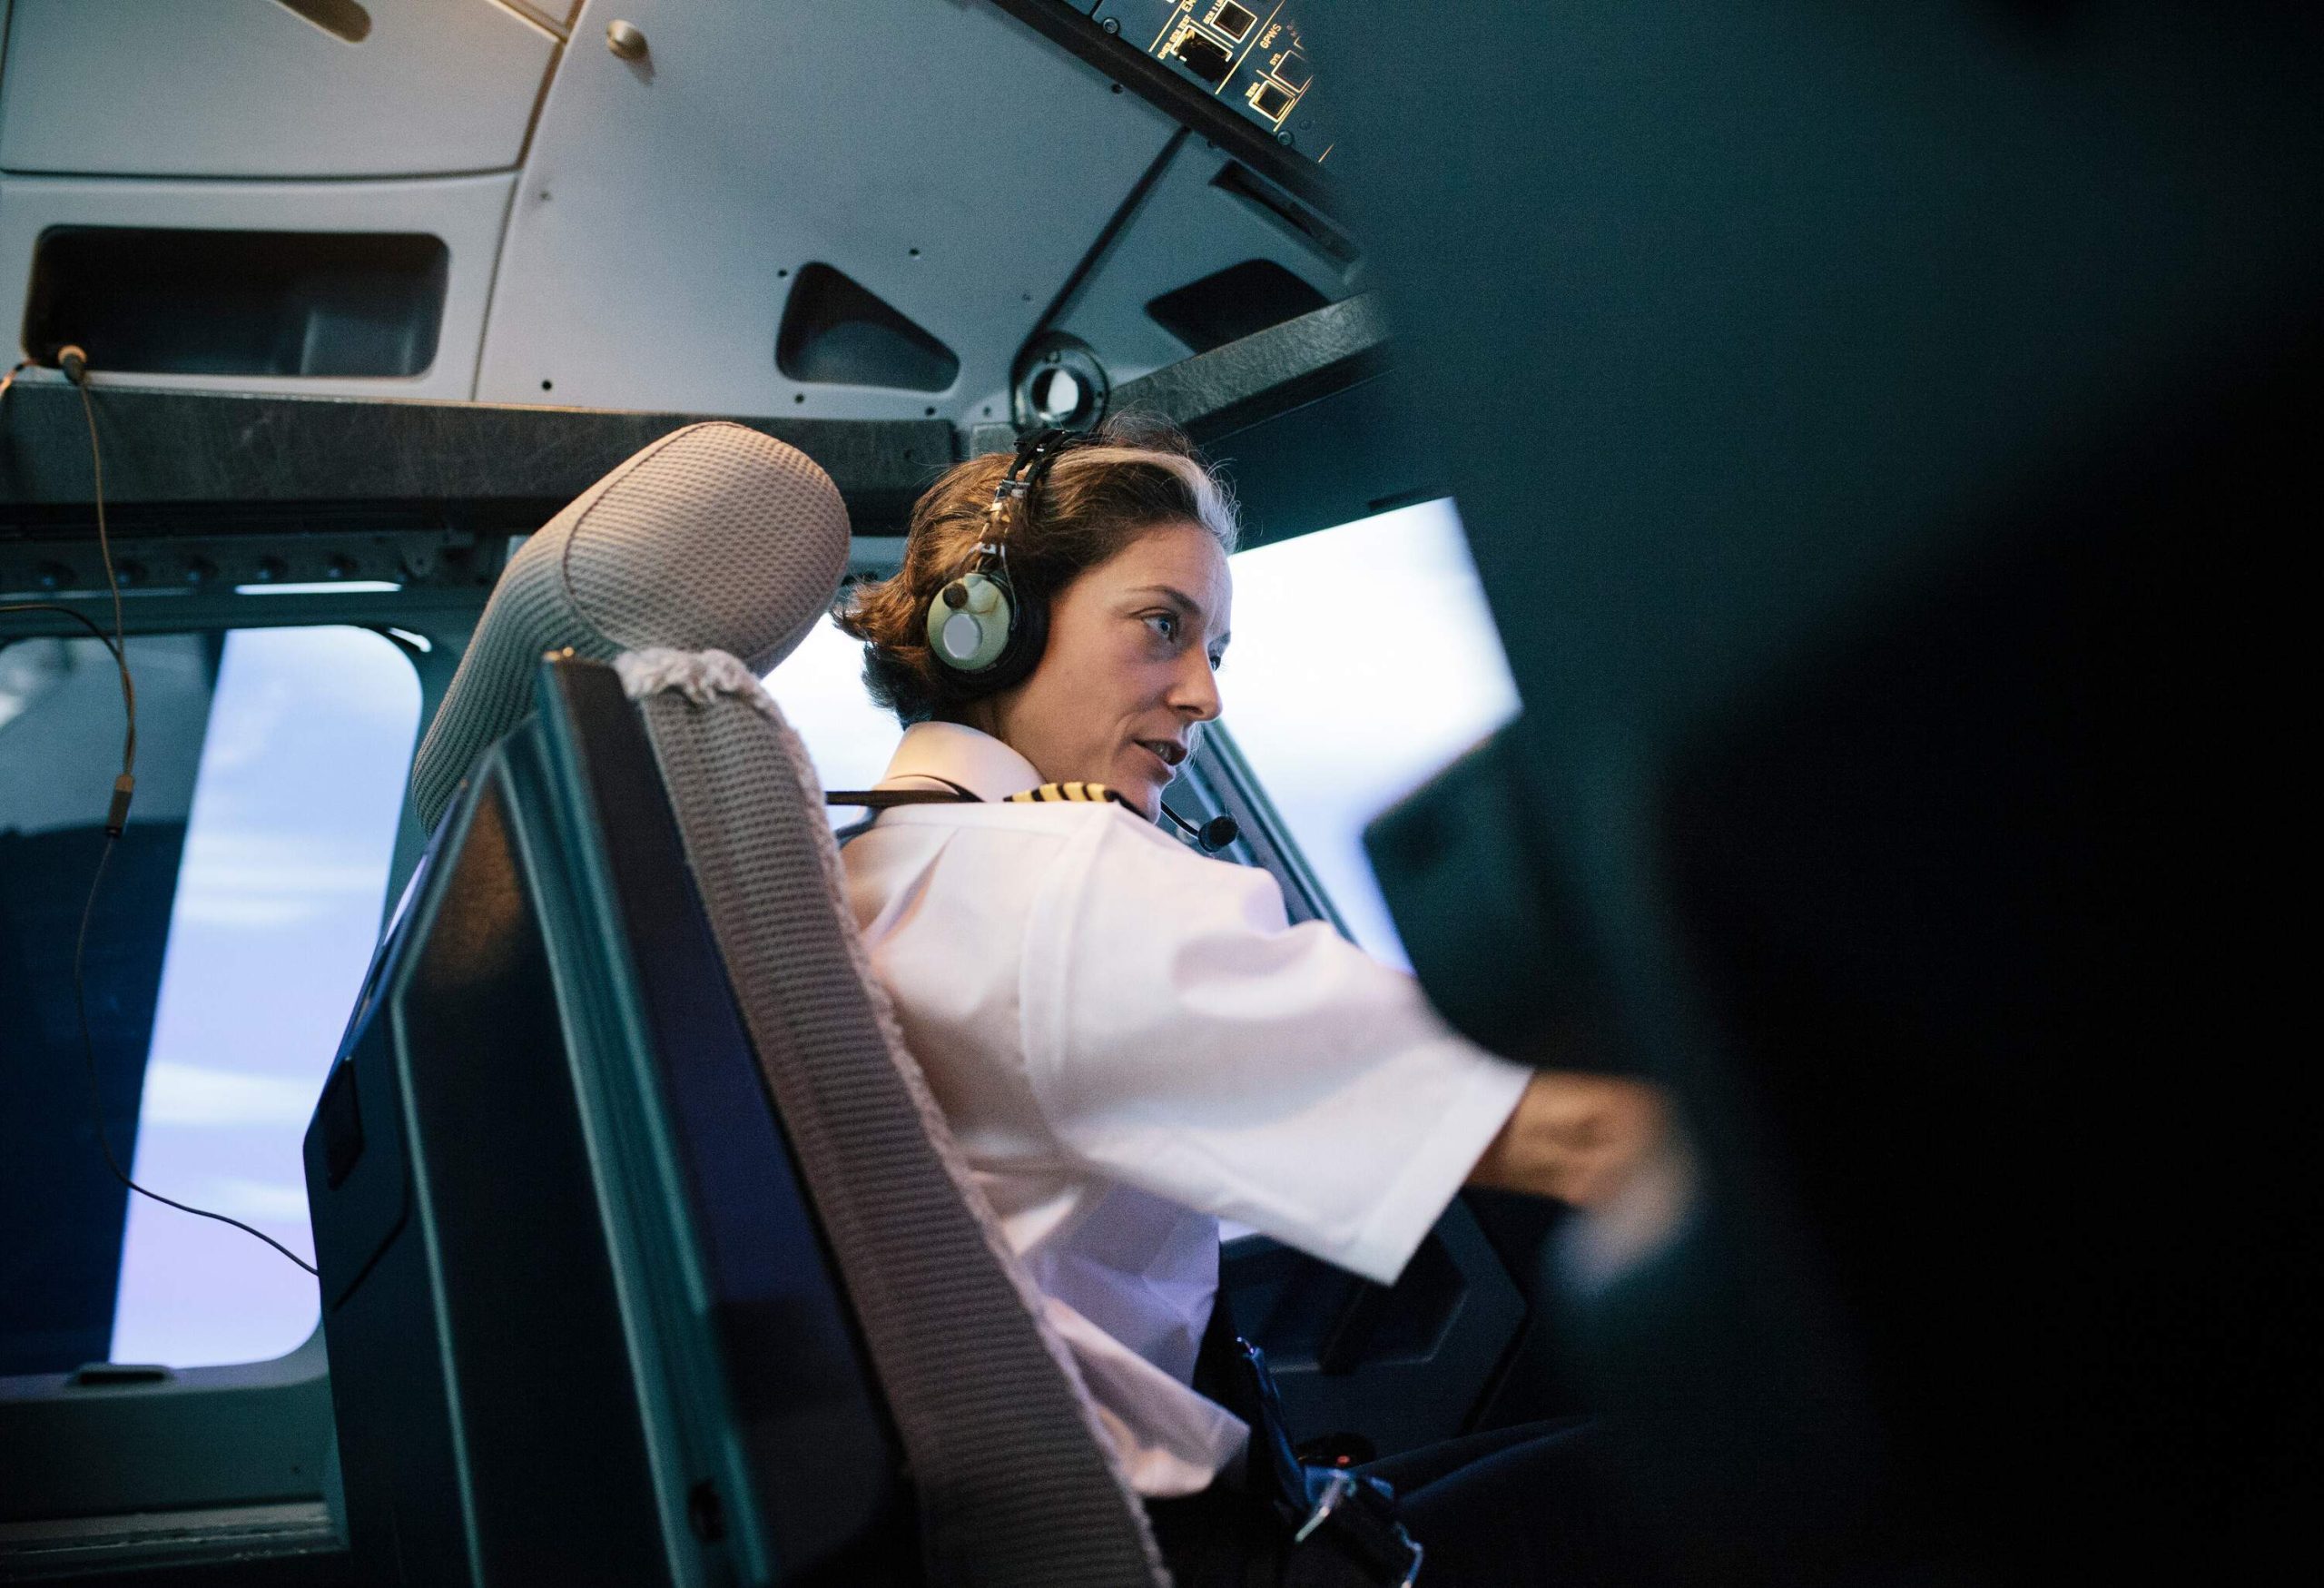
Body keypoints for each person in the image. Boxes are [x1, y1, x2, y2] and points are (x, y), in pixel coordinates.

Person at [831, 415, 1673, 1585]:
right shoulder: (1060, 886)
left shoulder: (876, 871)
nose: (1206, 694)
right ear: (991, 633)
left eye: (1214, 645)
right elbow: (1580, 1134)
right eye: (1162, 629)